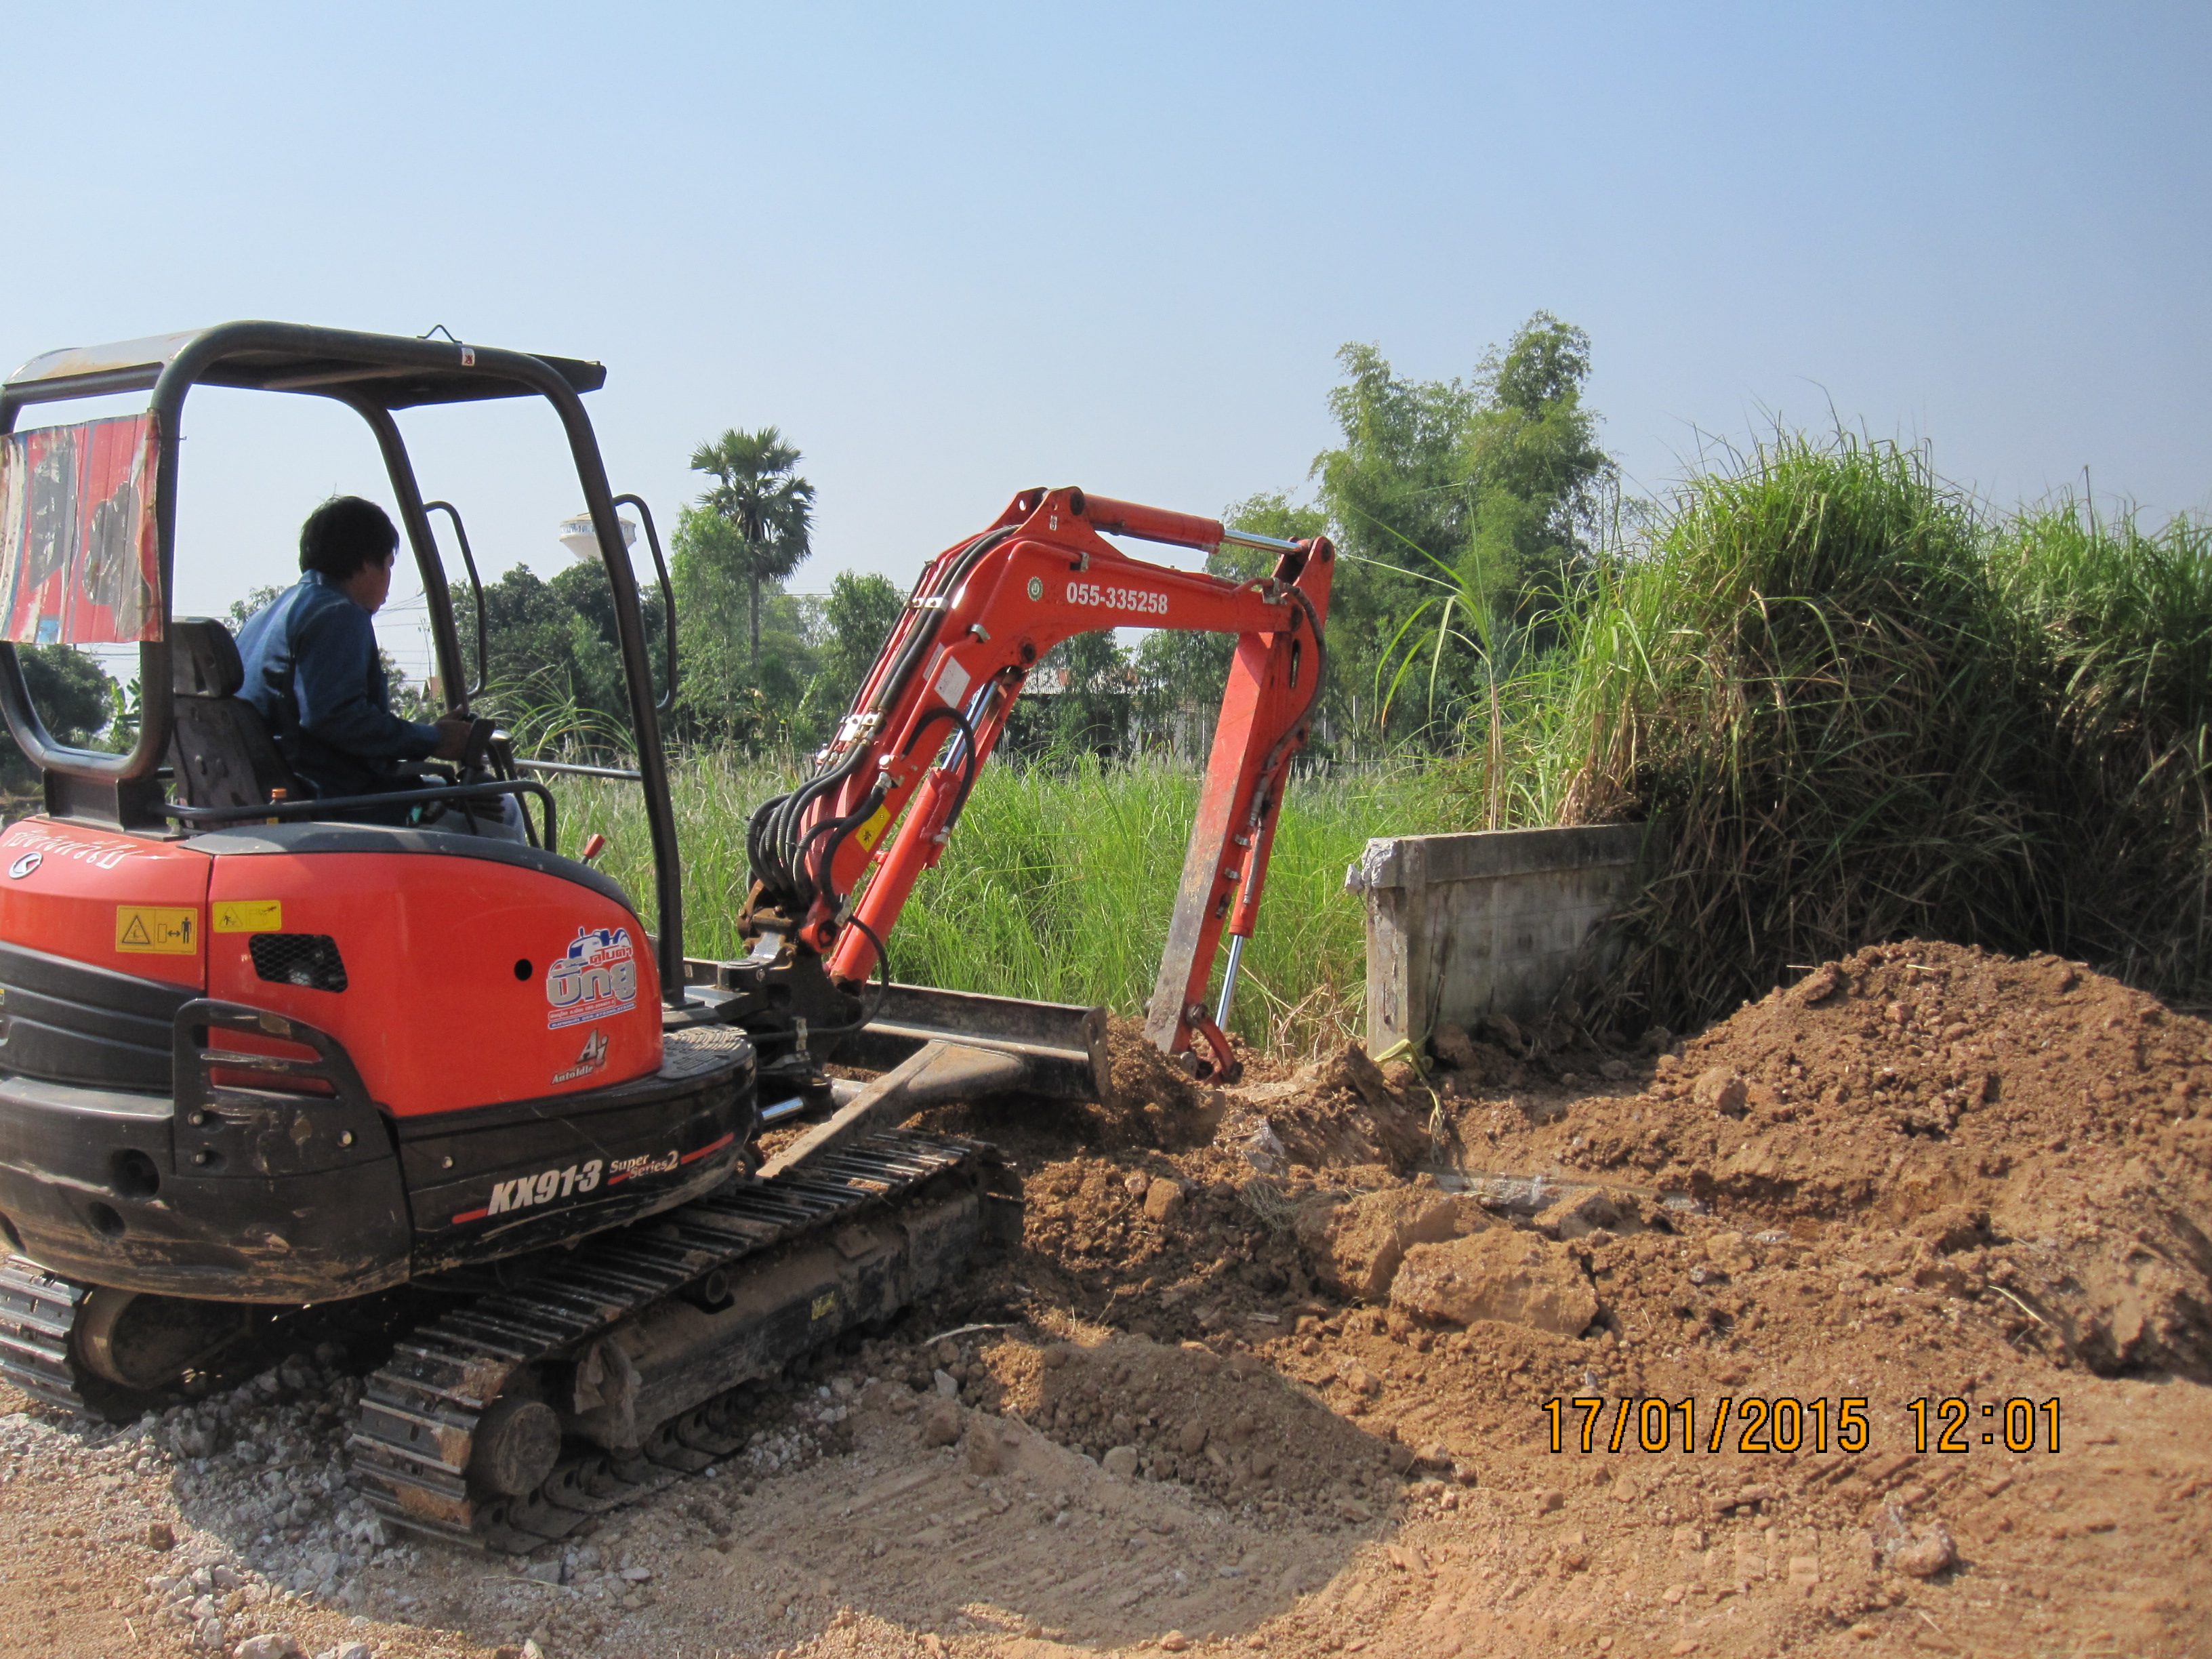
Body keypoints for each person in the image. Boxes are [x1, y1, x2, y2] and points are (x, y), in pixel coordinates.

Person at [235, 495, 474, 821]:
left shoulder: (263, 620)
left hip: (273, 793)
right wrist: (433, 739)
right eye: (388, 565)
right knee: (499, 818)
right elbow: (334, 717)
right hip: (332, 803)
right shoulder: (338, 615)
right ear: (364, 563)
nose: (389, 581)